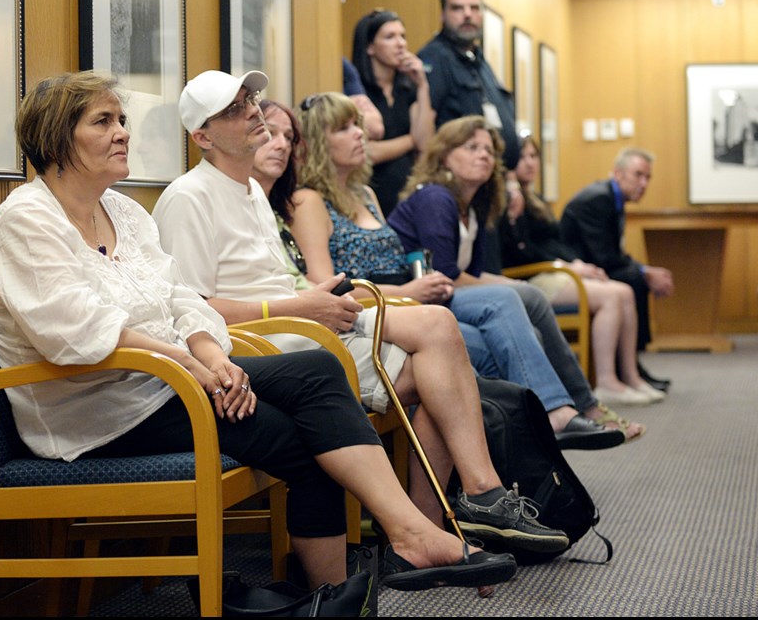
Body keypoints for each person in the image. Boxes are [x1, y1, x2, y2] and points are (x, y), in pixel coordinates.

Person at [0, 70, 519, 593]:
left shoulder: (122, 210)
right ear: (54, 138)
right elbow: (78, 332)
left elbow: (182, 300)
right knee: (306, 433)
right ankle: (388, 554)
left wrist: (212, 357)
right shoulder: (27, 220)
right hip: (98, 410)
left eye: (121, 119)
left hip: (165, 384)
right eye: (102, 121)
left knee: (316, 373)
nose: (122, 132)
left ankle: (390, 551)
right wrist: (195, 368)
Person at [152, 69, 570, 558]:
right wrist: (300, 304)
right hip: (272, 343)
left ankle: (435, 523)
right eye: (233, 109)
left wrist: (318, 293)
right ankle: (472, 501)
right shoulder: (187, 197)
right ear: (202, 136)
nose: (253, 112)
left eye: (251, 100)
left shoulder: (252, 193)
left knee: (440, 352)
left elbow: (280, 280)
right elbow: (193, 310)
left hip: (300, 320)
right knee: (441, 355)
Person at [284, 91, 624, 450]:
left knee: (510, 310)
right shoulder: (309, 201)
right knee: (487, 332)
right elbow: (330, 292)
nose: (359, 133)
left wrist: (417, 288)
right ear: (319, 142)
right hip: (379, 309)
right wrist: (407, 293)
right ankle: (541, 433)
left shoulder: (366, 193)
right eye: (344, 128)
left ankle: (536, 444)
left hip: (416, 298)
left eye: (357, 124)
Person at [389, 115, 646, 442]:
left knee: (528, 305)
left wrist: (512, 286)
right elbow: (446, 276)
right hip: (418, 298)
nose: (484, 155)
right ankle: (565, 411)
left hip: (449, 294)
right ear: (444, 155)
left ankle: (569, 413)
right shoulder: (435, 197)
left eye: (489, 149)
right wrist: (511, 286)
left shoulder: (475, 203)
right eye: (472, 147)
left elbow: (476, 272)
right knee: (515, 296)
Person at [498, 136, 663, 409]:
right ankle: (607, 382)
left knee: (623, 291)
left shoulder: (535, 199)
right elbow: (518, 251)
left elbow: (555, 243)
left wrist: (578, 265)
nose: (529, 163)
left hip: (553, 271)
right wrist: (567, 265)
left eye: (534, 156)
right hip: (530, 276)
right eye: (523, 156)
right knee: (611, 297)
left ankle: (631, 376)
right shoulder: (505, 201)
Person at [560, 147, 674, 392]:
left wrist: (644, 270)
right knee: (634, 280)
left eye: (648, 177)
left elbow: (611, 255)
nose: (644, 183)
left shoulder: (613, 198)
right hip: (574, 270)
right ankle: (629, 364)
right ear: (618, 173)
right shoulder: (597, 200)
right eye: (638, 175)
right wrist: (644, 271)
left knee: (635, 277)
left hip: (594, 266)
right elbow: (605, 257)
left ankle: (631, 363)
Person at [417, 0, 520, 170]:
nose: (467, 14)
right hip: (456, 181)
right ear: (443, 14)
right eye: (457, 8)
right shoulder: (434, 58)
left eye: (474, 8)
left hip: (494, 180)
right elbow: (425, 131)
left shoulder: (479, 60)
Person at [351, 9, 435, 218]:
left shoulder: (408, 88)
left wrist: (423, 85)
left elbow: (425, 143)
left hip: (406, 192)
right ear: (370, 47)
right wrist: (410, 140)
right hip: (369, 191)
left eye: (403, 36)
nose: (401, 44)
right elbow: (368, 153)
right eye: (390, 37)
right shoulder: (357, 91)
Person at [342, 57, 385, 141]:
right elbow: (350, 74)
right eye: (371, 107)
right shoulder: (359, 96)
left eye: (365, 110)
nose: (364, 102)